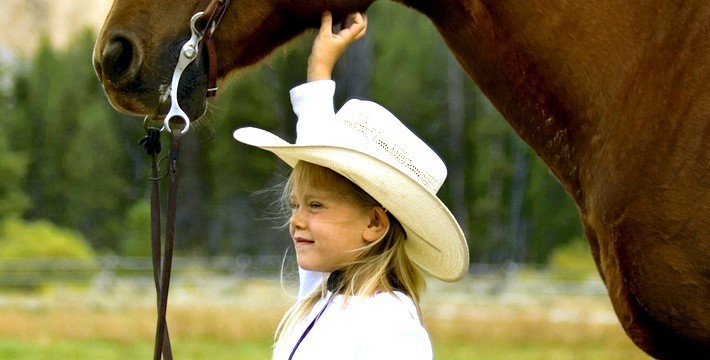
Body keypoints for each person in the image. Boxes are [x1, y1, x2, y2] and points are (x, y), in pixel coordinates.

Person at [233, 11, 469, 360]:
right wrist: (319, 69)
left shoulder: (391, 329)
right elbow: (314, 143)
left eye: (315, 206)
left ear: (374, 223)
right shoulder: (323, 294)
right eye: (296, 204)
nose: (296, 219)